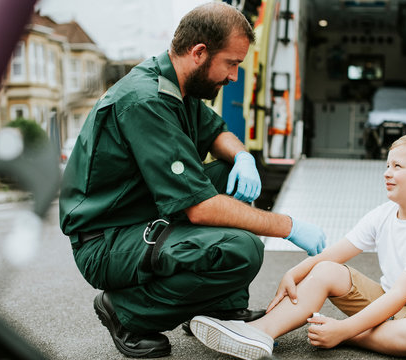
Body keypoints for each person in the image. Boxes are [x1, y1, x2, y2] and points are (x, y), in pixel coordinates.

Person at [58, 2, 326, 358]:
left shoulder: (176, 86)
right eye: (231, 64)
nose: (234, 77)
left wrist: (243, 157)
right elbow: (199, 209)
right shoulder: (145, 101)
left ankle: (221, 305)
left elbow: (216, 132)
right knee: (241, 249)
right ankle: (126, 312)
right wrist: (287, 226)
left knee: (229, 173)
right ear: (199, 52)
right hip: (107, 240)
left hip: (141, 213)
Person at [190, 132, 406, 359]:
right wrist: (294, 273)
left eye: (397, 167)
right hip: (384, 301)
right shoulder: (383, 214)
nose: (387, 173)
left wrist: (343, 330)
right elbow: (334, 254)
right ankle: (259, 332)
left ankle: (349, 336)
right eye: (387, 165)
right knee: (326, 269)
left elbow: (399, 298)